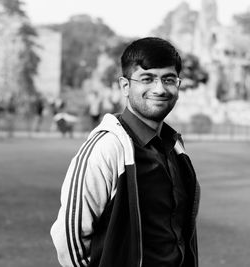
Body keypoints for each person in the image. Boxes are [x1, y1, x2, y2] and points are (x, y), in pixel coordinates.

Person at [51, 37, 200, 267]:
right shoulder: (107, 148)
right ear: (125, 86)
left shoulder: (175, 147)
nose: (159, 89)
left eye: (168, 79)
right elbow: (69, 240)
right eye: (147, 78)